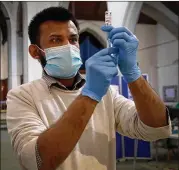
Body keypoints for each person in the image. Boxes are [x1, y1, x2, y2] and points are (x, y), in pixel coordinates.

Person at [6, 6, 171, 170]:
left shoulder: (106, 93)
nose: (68, 47)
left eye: (73, 39)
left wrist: (133, 73)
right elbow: (38, 161)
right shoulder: (21, 96)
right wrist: (90, 94)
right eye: (56, 39)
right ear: (35, 52)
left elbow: (156, 129)